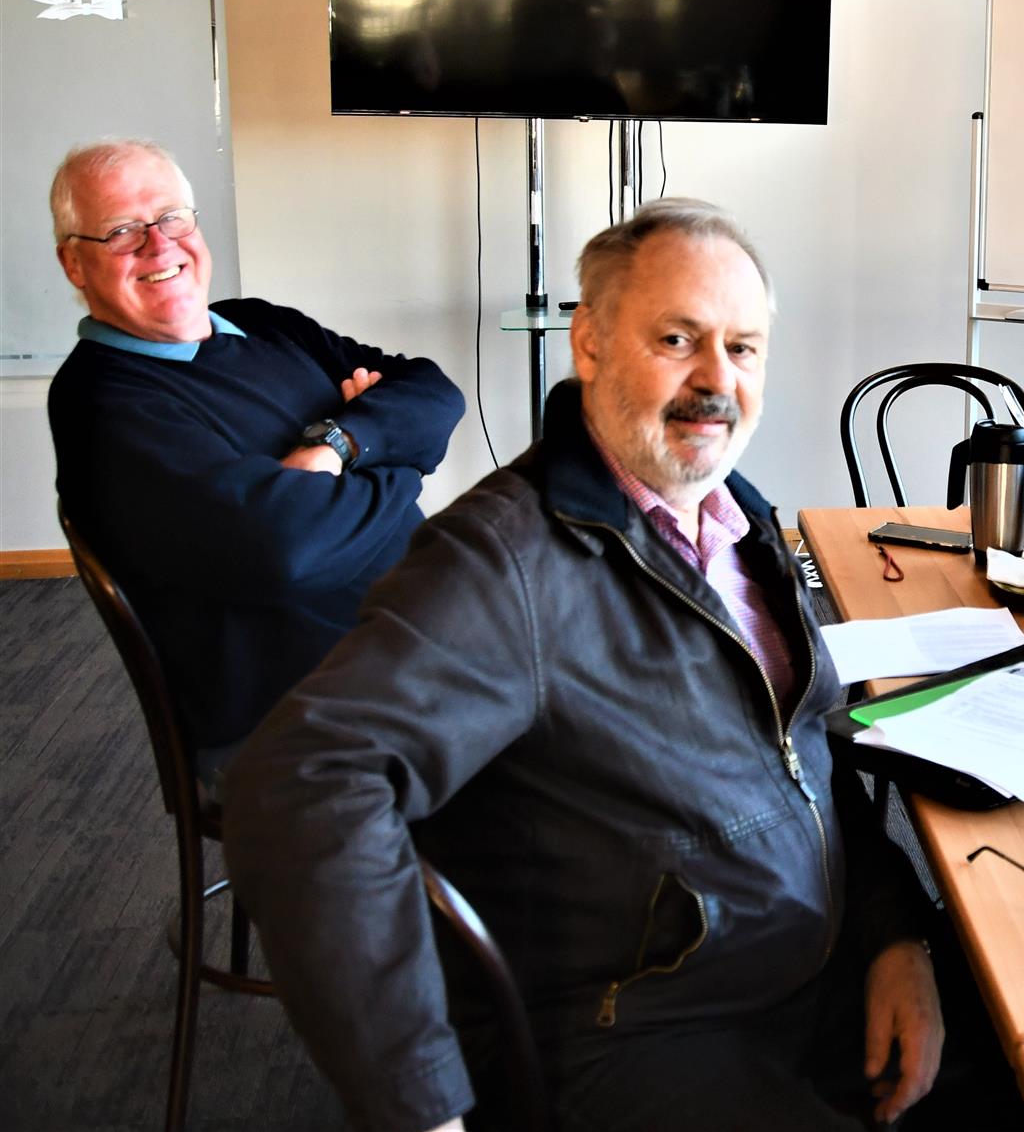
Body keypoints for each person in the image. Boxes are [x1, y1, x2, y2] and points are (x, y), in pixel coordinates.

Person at [223, 199, 964, 1131]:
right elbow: (301, 782)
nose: (716, 380)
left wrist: (895, 935)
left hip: (817, 972)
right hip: (643, 1032)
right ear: (590, 344)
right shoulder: (505, 562)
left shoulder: (733, 513)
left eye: (742, 348)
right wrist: (420, 1108)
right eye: (677, 339)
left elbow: (801, 745)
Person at [44, 139, 464, 779]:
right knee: (569, 783)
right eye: (122, 230)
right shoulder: (101, 402)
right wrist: (396, 458)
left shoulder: (263, 323)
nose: (158, 246)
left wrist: (335, 448)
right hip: (308, 719)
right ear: (74, 263)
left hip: (421, 650)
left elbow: (435, 393)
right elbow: (288, 550)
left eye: (171, 218)